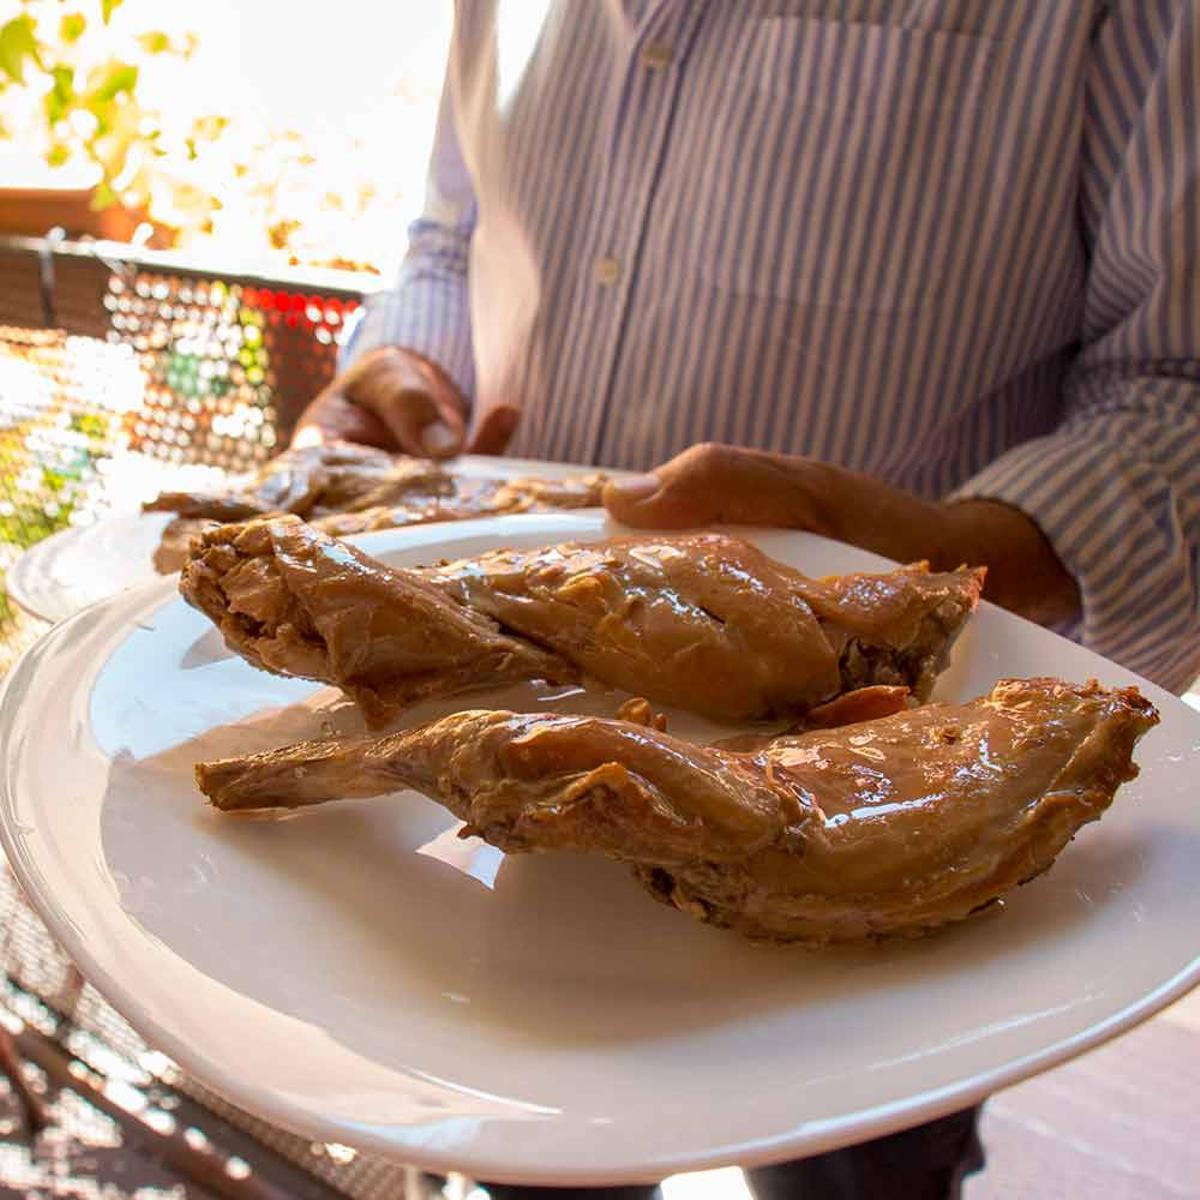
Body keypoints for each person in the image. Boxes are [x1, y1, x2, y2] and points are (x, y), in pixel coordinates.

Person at [294, 3, 1200, 1196]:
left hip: (887, 793)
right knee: (529, 1164)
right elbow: (449, 243)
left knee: (860, 1182)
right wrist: (399, 363)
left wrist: (954, 556)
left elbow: (1176, 380)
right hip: (510, 811)